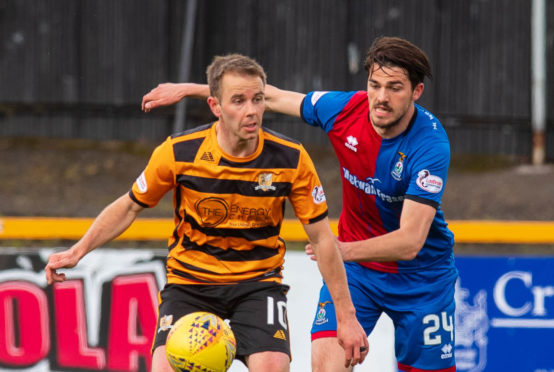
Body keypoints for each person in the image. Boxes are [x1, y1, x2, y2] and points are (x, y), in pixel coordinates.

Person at [142, 36, 458, 372]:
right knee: (326, 366)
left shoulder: (430, 145)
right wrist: (188, 89)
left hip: (422, 280)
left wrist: (341, 251)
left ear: (417, 91)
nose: (380, 98)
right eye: (374, 85)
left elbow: (410, 241)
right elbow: (273, 96)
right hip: (356, 276)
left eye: (395, 88)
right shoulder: (344, 109)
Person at [45, 54, 369, 372]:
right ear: (215, 106)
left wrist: (346, 317)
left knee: (273, 366)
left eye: (258, 100)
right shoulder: (179, 152)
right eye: (238, 101)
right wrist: (78, 250)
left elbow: (324, 240)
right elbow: (130, 205)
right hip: (189, 283)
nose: (252, 111)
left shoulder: (291, 159)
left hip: (258, 283)